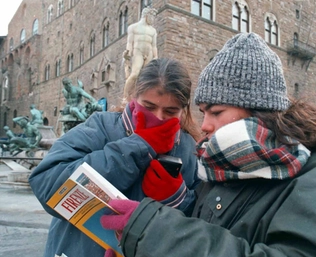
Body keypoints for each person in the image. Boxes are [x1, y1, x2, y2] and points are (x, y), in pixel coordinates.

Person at [100, 33, 316, 257]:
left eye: (216, 112)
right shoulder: (223, 166)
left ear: (260, 110)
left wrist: (154, 232)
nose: (204, 125)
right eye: (202, 112)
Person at [29, 58, 201, 257]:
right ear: (134, 98)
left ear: (183, 110)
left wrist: (178, 198)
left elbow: (202, 226)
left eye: (170, 111)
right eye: (149, 107)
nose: (159, 117)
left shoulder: (188, 148)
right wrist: (139, 146)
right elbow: (46, 184)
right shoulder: (99, 127)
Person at [122, 7, 158, 103]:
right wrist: (128, 53)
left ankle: (143, 97)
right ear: (147, 16)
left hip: (149, 53)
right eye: (152, 17)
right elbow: (130, 43)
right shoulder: (133, 27)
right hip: (138, 52)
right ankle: (125, 97)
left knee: (147, 77)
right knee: (134, 74)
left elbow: (154, 46)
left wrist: (156, 57)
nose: (153, 20)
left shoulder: (153, 31)